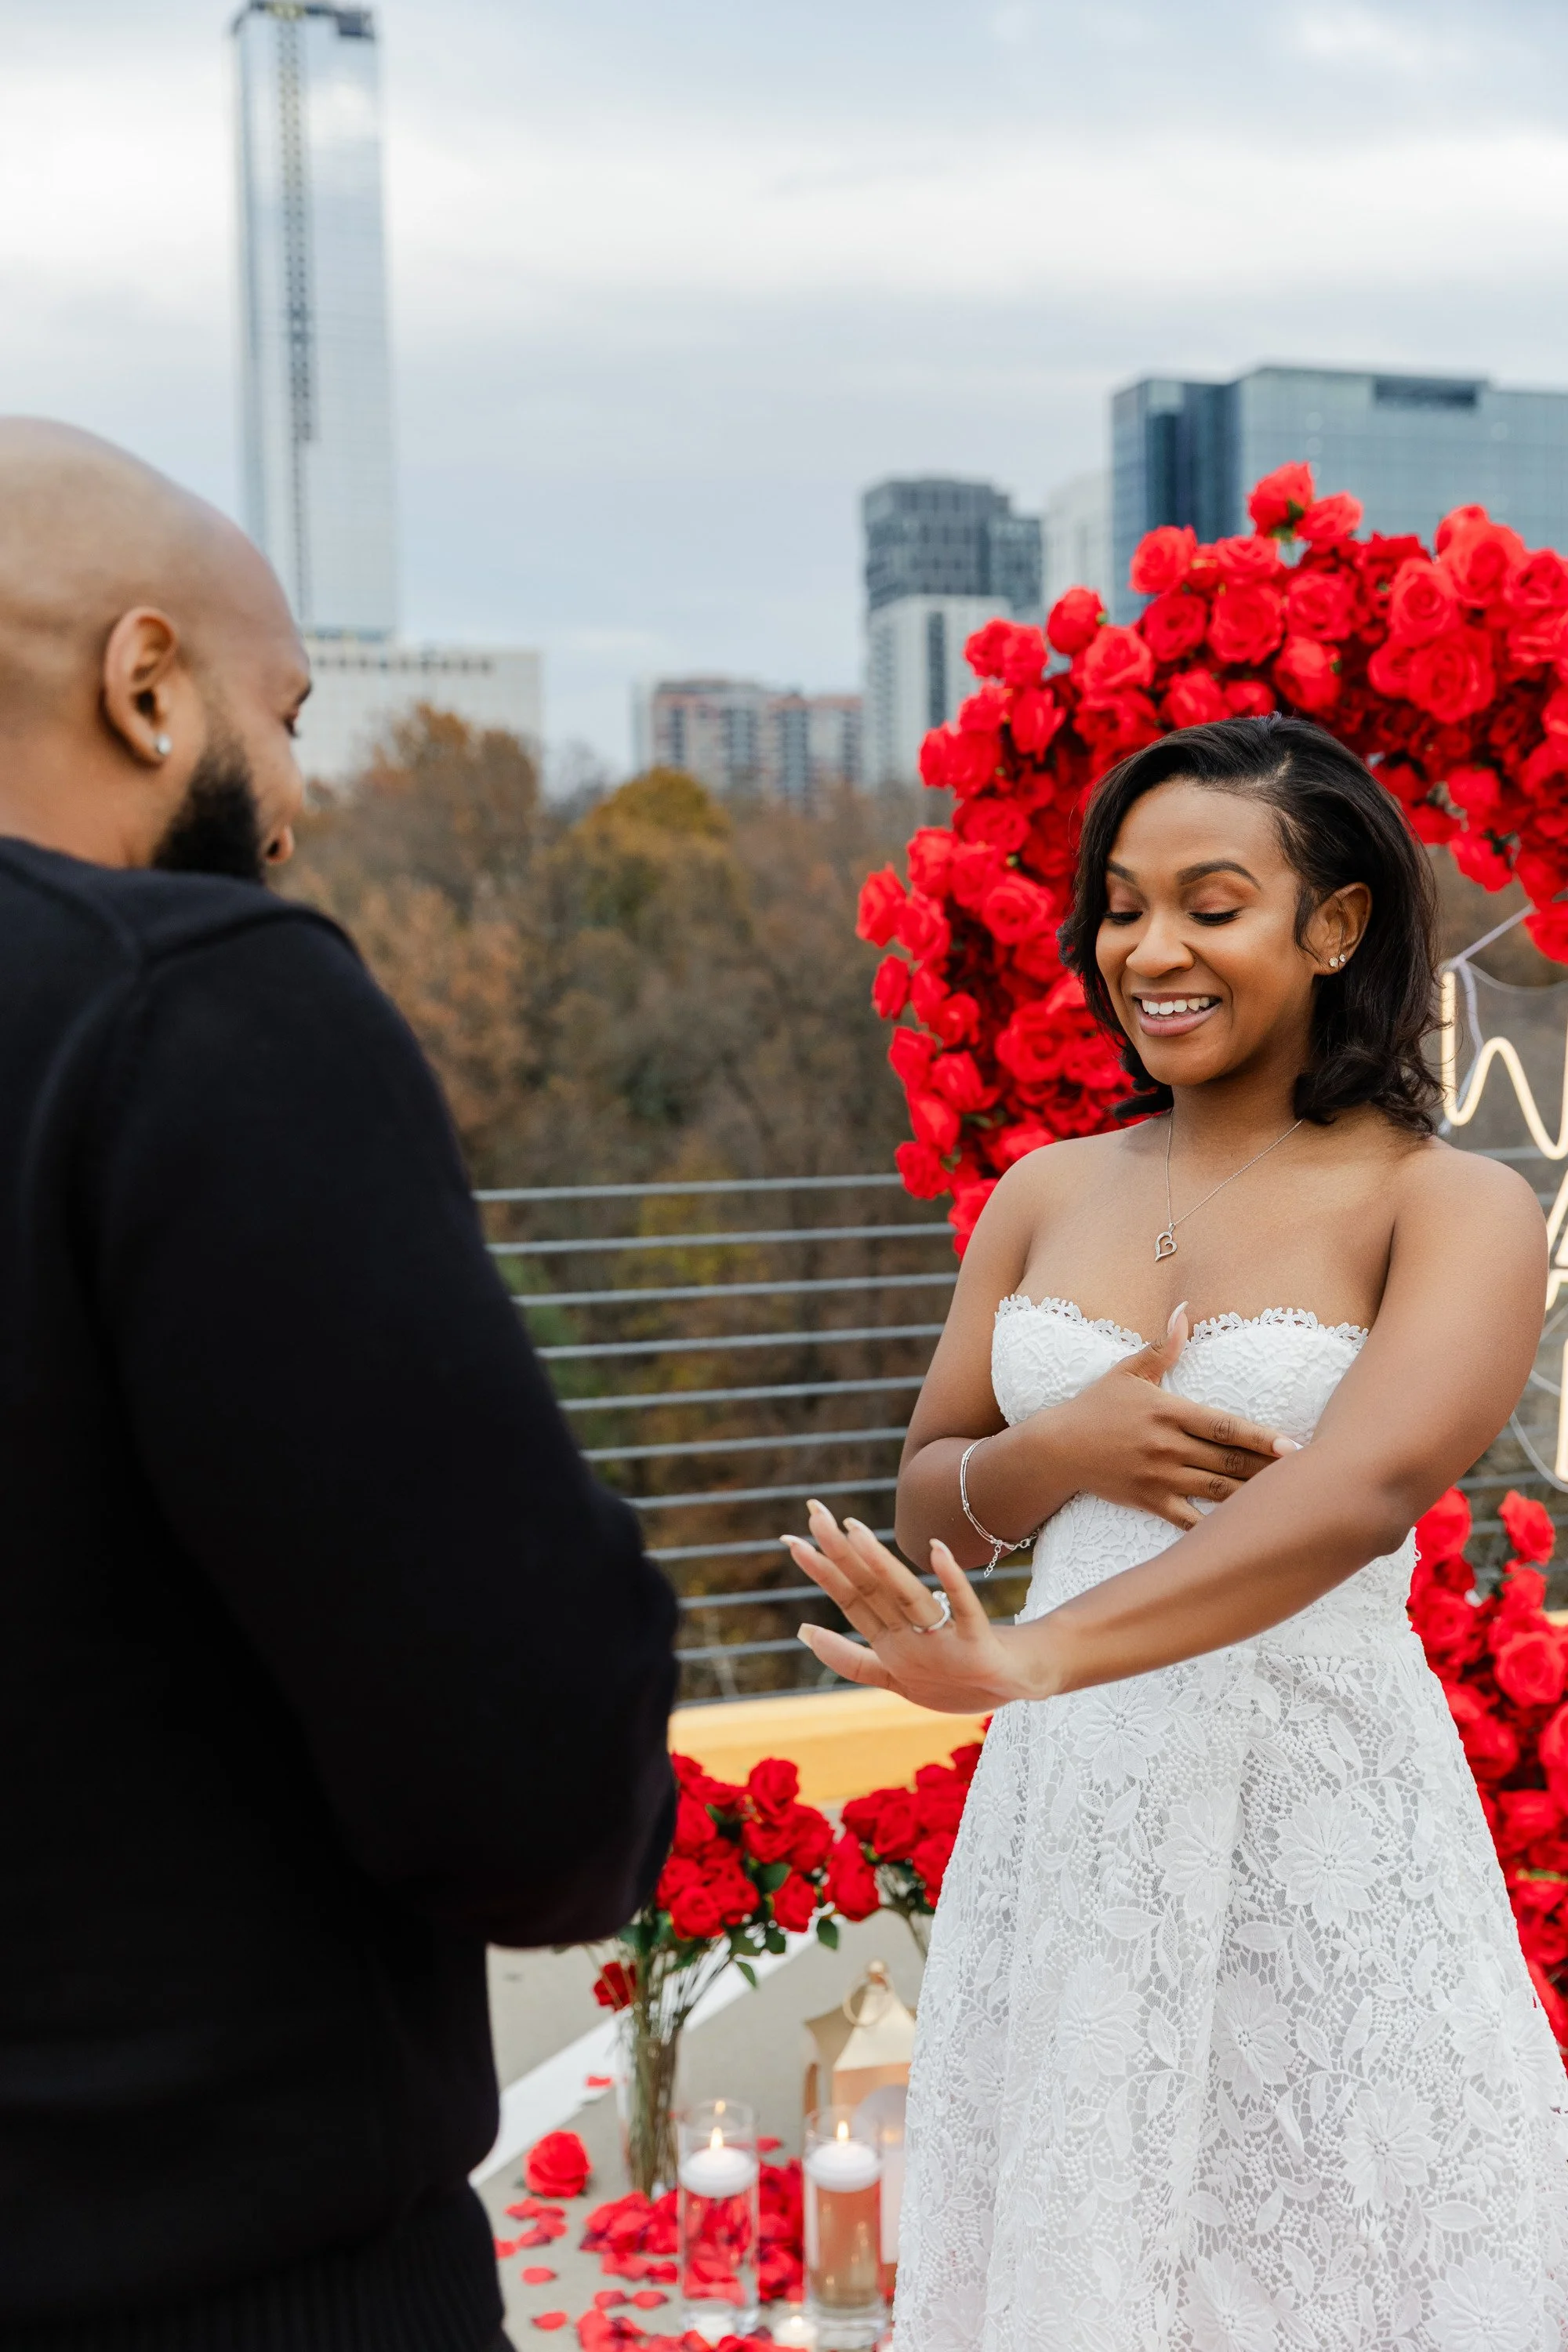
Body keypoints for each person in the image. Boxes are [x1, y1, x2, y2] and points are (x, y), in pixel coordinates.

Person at [0, 419, 677, 2349]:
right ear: (145, 684)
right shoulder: (193, 1007)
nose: (291, 800)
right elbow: (529, 1781)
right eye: (282, 714)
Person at [785, 715, 1568, 2350]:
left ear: (1333, 925)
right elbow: (939, 1481)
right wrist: (1054, 1449)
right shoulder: (1043, 1190)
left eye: (1210, 904)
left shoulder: (1454, 1206)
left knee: (1348, 2244)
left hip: (1321, 1809)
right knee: (1083, 2241)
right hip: (1074, 1811)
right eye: (1121, 906)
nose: (1149, 950)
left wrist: (1032, 1653)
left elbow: (1351, 1496)